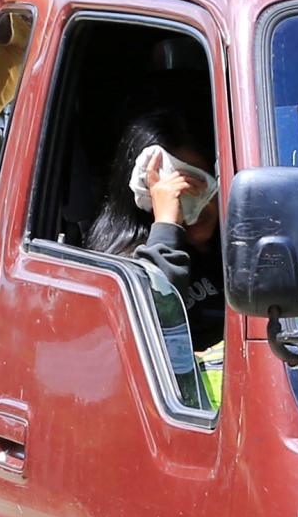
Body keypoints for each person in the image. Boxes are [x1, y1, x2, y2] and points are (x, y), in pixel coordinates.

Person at [88, 108, 225, 349]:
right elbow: (153, 329)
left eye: (195, 181)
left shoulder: (239, 244)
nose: (190, 197)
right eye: (175, 187)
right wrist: (166, 227)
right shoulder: (126, 266)